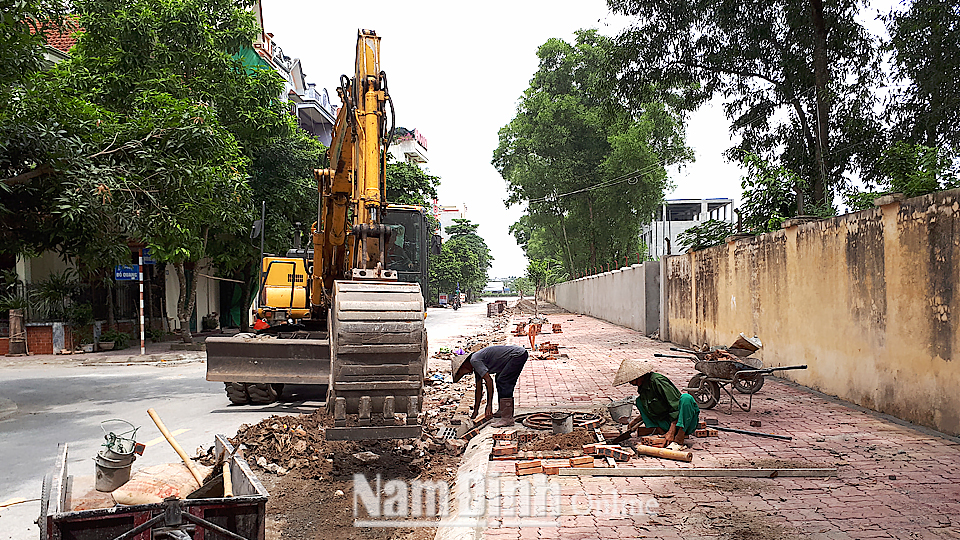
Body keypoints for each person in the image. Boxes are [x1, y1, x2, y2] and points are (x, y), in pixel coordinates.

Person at [613, 358, 699, 450]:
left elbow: (675, 407)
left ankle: (679, 438)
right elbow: (649, 408)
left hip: (683, 422)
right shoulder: (643, 387)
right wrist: (635, 421)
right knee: (639, 402)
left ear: (639, 376)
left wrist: (671, 431)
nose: (631, 383)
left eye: (631, 380)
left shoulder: (658, 381)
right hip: (666, 422)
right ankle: (662, 434)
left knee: (686, 398)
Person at [452, 344, 529, 427]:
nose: (467, 373)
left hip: (517, 355)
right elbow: (479, 389)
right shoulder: (475, 363)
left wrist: (489, 406)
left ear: (464, 365)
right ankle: (502, 410)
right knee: (499, 379)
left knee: (503, 381)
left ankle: (507, 419)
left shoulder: (475, 361)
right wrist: (475, 412)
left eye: (463, 372)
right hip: (516, 355)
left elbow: (489, 381)